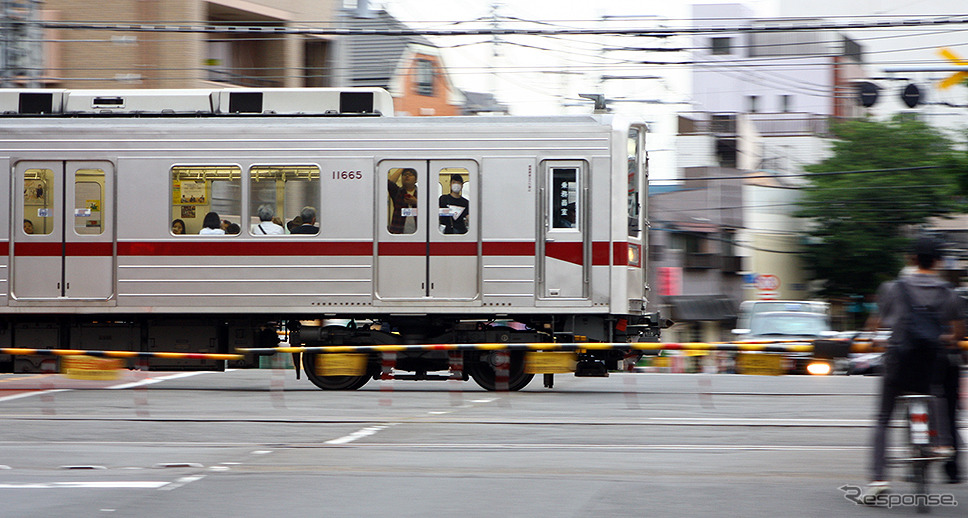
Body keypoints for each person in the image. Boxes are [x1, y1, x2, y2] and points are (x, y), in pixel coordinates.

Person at [865, 236, 965, 496]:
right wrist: (941, 338)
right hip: (929, 365)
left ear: (911, 259)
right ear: (939, 261)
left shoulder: (892, 289)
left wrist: (874, 341)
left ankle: (878, 480)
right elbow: (957, 333)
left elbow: (876, 324)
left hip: (897, 363)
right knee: (937, 391)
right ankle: (941, 443)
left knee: (883, 419)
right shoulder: (949, 293)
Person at [388, 168, 418, 234]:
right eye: (404, 175)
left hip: (419, 232)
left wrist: (416, 202)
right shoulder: (397, 192)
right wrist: (402, 167)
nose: (407, 176)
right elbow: (388, 183)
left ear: (416, 179)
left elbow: (430, 209)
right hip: (398, 231)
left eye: (410, 175)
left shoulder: (422, 193)